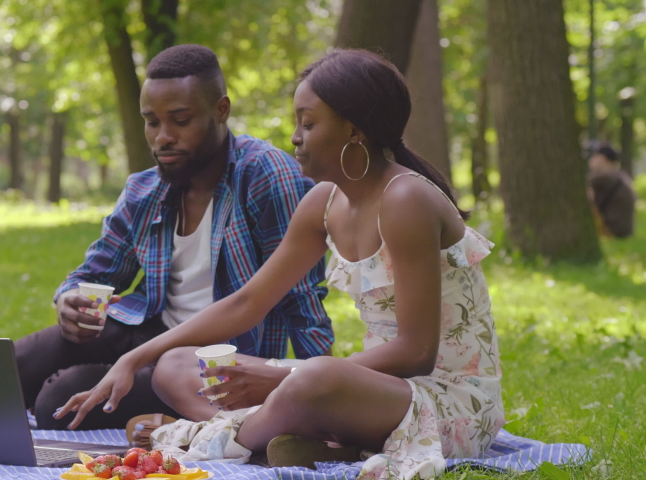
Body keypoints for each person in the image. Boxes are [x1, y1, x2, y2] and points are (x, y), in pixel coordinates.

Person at [56, 49, 504, 478]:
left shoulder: (405, 199)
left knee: (317, 378)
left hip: (447, 402)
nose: (295, 137)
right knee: (175, 364)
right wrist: (135, 358)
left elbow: (416, 353)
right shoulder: (323, 203)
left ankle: (210, 436)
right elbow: (247, 302)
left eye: (308, 124)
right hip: (375, 388)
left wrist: (279, 375)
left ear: (354, 130)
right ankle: (306, 436)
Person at [16, 44, 334, 430]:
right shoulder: (145, 190)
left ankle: (170, 414)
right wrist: (70, 298)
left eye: (180, 120)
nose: (163, 137)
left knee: (57, 401)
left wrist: (324, 396)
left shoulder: (266, 177)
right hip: (150, 332)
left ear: (221, 110)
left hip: (216, 358)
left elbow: (301, 298)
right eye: (152, 122)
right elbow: (96, 272)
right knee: (20, 363)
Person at [587, 144, 636, 238]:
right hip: (625, 230)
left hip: (613, 231)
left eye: (593, 156)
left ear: (603, 158)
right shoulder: (620, 175)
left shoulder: (602, 176)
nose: (590, 159)